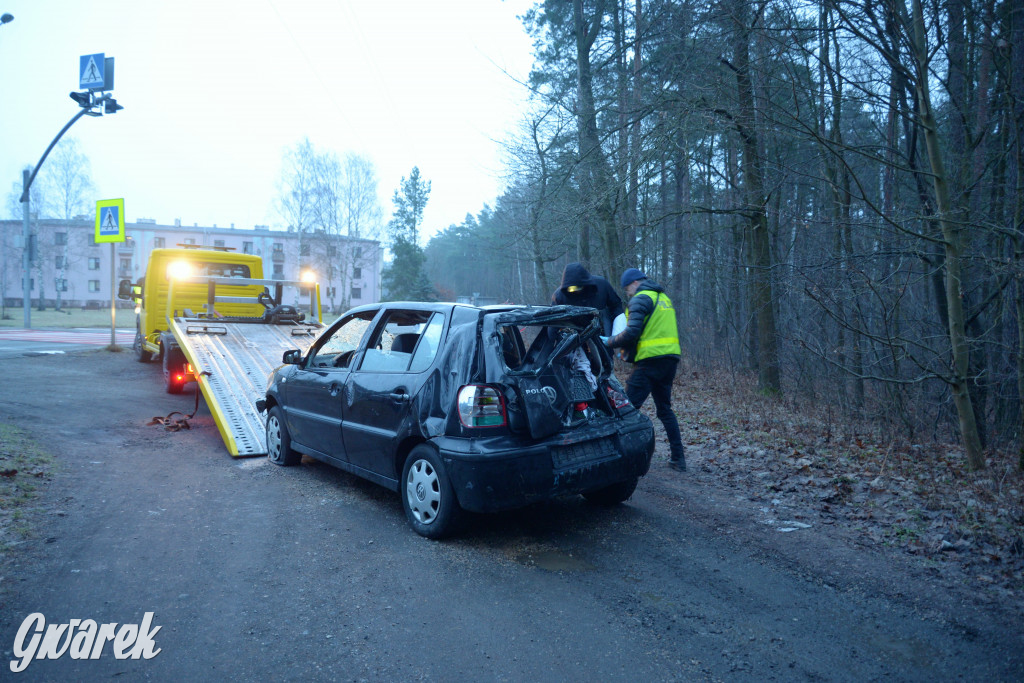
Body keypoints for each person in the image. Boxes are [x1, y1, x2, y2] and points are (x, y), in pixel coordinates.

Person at [603, 268, 686, 472]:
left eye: (627, 289)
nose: (628, 293)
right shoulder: (663, 298)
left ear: (633, 283)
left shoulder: (641, 298)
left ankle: (617, 459)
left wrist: (610, 342)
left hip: (650, 361)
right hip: (670, 359)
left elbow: (631, 333)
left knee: (626, 409)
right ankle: (678, 459)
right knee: (665, 410)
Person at [551, 262, 623, 336]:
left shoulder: (601, 285)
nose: (576, 291)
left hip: (602, 328)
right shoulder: (559, 296)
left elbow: (616, 306)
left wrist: (616, 335)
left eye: (579, 287)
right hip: (576, 335)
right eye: (572, 289)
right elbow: (553, 322)